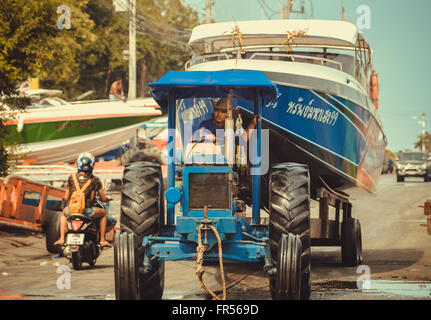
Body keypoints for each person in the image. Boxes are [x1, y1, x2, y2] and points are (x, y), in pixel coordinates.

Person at [54, 152, 113, 247]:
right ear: (92, 165)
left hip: (73, 211)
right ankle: (102, 240)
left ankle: (61, 238)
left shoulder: (71, 178)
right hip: (87, 211)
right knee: (103, 214)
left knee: (64, 214)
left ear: (78, 164)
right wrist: (107, 198)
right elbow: (102, 198)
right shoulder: (95, 180)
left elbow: (66, 197)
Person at [196, 97, 260, 147]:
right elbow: (201, 133)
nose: (219, 114)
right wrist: (206, 136)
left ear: (228, 114)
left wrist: (253, 124)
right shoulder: (205, 124)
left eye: (223, 112)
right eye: (217, 110)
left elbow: (242, 140)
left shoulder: (231, 127)